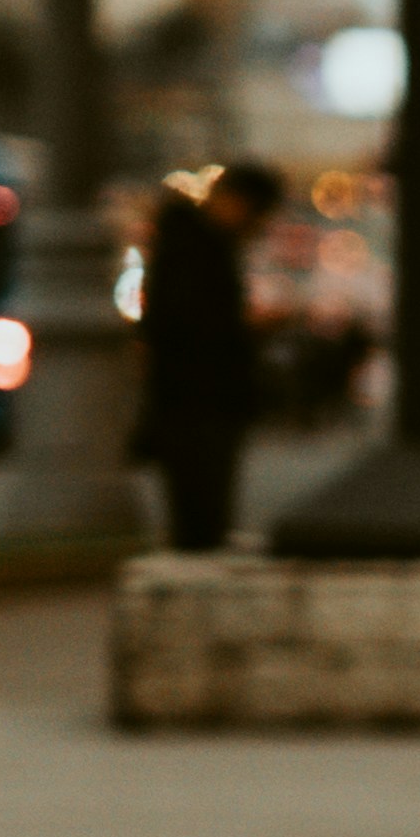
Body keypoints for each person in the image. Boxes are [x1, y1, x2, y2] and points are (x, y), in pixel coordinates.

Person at [134, 159, 272, 554]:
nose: (256, 228)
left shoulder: (187, 241)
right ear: (238, 203)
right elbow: (193, 325)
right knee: (202, 516)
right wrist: (248, 329)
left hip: (190, 399)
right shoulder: (196, 247)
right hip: (199, 400)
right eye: (257, 215)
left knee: (199, 519)